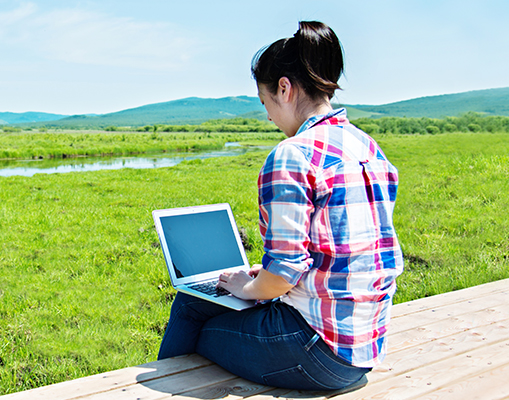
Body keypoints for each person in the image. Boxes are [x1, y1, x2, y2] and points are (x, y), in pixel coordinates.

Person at [155, 21, 403, 391]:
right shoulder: (366, 146)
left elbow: (284, 273)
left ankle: (166, 388)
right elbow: (334, 254)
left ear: (284, 89)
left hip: (319, 351)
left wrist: (248, 286)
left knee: (194, 315)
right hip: (365, 345)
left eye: (265, 102)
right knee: (215, 302)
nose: (269, 116)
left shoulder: (292, 155)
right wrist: (260, 278)